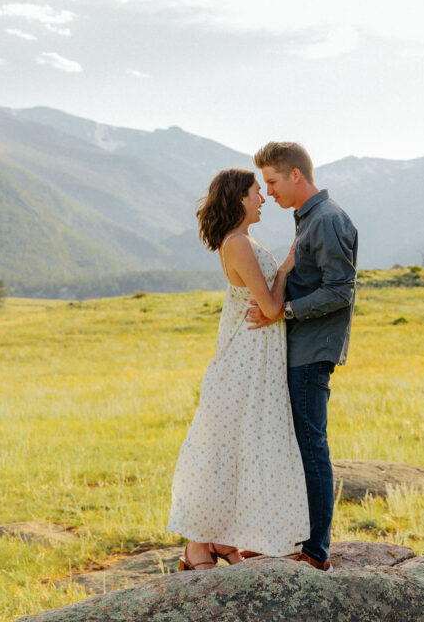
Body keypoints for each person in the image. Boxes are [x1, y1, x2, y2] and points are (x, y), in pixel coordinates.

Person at [167, 167, 310, 570]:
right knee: (223, 452)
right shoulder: (238, 244)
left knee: (240, 450)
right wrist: (285, 268)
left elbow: (267, 309)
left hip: (253, 363)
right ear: (239, 199)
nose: (263, 198)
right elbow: (268, 307)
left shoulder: (243, 240)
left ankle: (221, 541)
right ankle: (197, 545)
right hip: (241, 366)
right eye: (255, 193)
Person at [247, 142, 358, 573]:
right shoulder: (309, 218)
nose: (268, 192)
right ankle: (300, 538)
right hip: (300, 348)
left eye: (272, 182)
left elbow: (340, 289)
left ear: (296, 175)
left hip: (312, 352)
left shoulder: (327, 220)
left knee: (311, 446)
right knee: (299, 445)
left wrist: (284, 311)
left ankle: (316, 551)